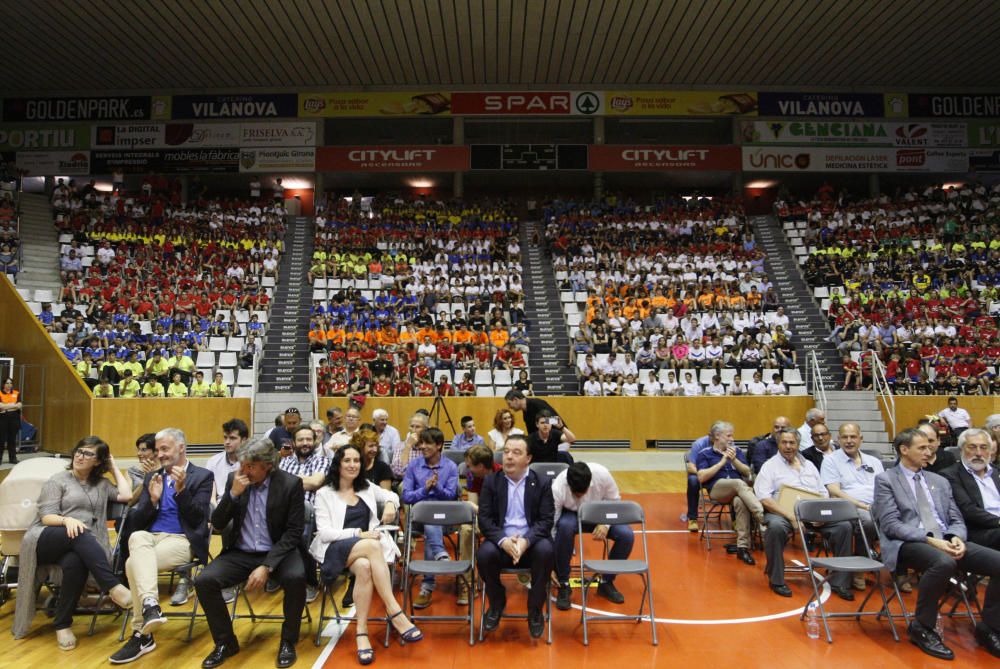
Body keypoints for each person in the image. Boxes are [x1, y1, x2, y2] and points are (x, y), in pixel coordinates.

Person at [874, 428, 1000, 660]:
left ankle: (991, 628)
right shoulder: (886, 480)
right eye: (922, 448)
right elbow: (891, 525)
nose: (929, 452)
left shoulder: (939, 480)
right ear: (904, 450)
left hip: (945, 539)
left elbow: (956, 519)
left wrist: (956, 538)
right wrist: (931, 540)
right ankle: (922, 626)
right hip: (908, 542)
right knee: (943, 562)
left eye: (930, 447)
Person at [193, 438, 307, 669]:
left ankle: (288, 640)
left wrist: (267, 566)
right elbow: (217, 523)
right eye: (242, 464)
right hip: (241, 552)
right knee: (204, 581)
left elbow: (294, 532)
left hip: (278, 551)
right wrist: (232, 495)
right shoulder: (234, 481)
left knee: (296, 578)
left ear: (268, 465)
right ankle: (226, 643)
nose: (244, 470)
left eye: (250, 466)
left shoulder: (290, 484)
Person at [12, 437, 133, 646]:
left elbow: (126, 495)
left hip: (77, 544)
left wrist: (113, 467)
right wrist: (67, 520)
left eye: (88, 453)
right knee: (80, 532)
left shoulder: (102, 484)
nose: (80, 456)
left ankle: (63, 625)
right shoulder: (57, 480)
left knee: (75, 562)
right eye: (79, 451)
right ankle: (113, 587)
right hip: (44, 537)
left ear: (98, 461)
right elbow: (46, 517)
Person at [310, 443, 421, 664]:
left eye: (357, 460)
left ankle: (361, 633)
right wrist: (359, 534)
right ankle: (395, 611)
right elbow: (324, 533)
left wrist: (390, 504)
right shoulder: (324, 493)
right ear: (338, 464)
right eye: (347, 460)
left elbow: (393, 495)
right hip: (333, 549)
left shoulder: (366, 487)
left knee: (364, 567)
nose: (353, 465)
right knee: (372, 546)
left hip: (361, 553)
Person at [110, 428, 213, 664]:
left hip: (182, 540)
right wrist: (152, 501)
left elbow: (198, 518)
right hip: (151, 538)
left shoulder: (202, 476)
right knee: (136, 537)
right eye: (158, 450)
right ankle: (150, 605)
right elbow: (136, 522)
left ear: (181, 448)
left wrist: (181, 492)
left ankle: (141, 634)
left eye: (164, 449)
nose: (160, 454)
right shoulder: (153, 477)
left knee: (131, 563)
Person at [753, 427, 854, 599]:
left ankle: (841, 582)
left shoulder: (809, 465)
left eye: (792, 442)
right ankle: (776, 579)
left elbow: (823, 492)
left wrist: (820, 514)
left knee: (844, 526)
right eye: (784, 442)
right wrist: (791, 517)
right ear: (778, 444)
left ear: (798, 444)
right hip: (783, 513)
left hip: (813, 514)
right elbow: (764, 498)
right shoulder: (770, 466)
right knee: (775, 527)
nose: (788, 446)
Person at [477, 434, 554, 639]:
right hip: (502, 543)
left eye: (516, 453)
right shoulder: (491, 482)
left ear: (528, 458)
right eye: (507, 451)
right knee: (484, 555)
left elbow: (546, 521)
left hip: (531, 543)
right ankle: (496, 601)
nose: (509, 457)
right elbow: (484, 520)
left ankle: (535, 609)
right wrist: (503, 541)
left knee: (546, 551)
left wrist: (525, 541)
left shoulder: (542, 483)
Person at [551, 461, 633, 610]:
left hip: (601, 512)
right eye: (576, 493)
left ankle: (606, 582)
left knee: (626, 535)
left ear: (590, 482)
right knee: (564, 527)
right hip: (572, 514)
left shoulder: (602, 475)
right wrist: (550, 563)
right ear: (568, 485)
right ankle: (563, 583)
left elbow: (614, 501)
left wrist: (605, 523)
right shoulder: (558, 487)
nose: (580, 495)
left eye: (583, 491)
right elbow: (553, 524)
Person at [820, 423, 885, 590]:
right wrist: (861, 505)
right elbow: (833, 490)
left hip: (876, 506)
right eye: (845, 437)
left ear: (861, 439)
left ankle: (900, 570)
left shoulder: (875, 462)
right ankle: (860, 567)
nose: (849, 441)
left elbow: (884, 488)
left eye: (853, 437)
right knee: (869, 522)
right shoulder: (830, 461)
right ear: (838, 439)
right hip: (848, 507)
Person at [401, 427, 459, 608]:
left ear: (439, 445)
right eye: (422, 443)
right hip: (420, 517)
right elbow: (406, 496)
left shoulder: (450, 467)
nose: (423, 446)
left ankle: (428, 585)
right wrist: (425, 490)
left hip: (446, 518)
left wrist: (437, 488)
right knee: (428, 518)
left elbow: (451, 496)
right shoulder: (413, 466)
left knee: (431, 522)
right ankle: (440, 555)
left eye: (427, 443)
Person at [695, 421, 764, 567]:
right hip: (718, 490)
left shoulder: (736, 451)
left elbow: (747, 472)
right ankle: (762, 516)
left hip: (739, 492)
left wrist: (734, 460)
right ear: (718, 436)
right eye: (729, 435)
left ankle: (742, 548)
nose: (732, 438)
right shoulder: (705, 453)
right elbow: (701, 477)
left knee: (740, 501)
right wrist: (721, 462)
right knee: (739, 483)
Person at [940, 428, 1000, 549]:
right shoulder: (950, 475)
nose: (978, 453)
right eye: (972, 447)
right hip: (978, 531)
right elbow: (968, 509)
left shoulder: (997, 472)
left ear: (990, 450)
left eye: (983, 447)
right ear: (961, 449)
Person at [205, 419, 248, 506]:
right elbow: (209, 495)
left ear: (243, 440)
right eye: (225, 437)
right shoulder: (213, 461)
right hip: (218, 508)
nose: (227, 442)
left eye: (232, 438)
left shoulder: (250, 463)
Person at [391, 412, 427, 480]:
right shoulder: (400, 446)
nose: (413, 430)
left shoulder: (428, 447)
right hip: (405, 481)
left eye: (418, 427)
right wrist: (408, 446)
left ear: (425, 429)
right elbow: (397, 472)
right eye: (412, 426)